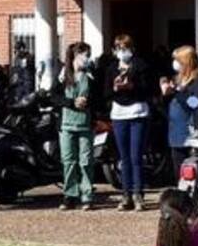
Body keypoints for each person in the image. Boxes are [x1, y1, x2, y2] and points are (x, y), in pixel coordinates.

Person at [104, 34, 153, 211]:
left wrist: (132, 86)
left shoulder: (141, 66)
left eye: (125, 48)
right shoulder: (111, 69)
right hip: (119, 114)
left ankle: (138, 194)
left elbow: (149, 90)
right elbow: (106, 93)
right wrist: (116, 88)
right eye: (119, 48)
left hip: (138, 112)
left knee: (136, 156)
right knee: (123, 158)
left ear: (132, 49)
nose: (122, 52)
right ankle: (126, 194)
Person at [51, 41, 96, 211]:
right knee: (68, 161)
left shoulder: (91, 75)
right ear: (75, 56)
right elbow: (53, 97)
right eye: (84, 55)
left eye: (88, 55)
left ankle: (87, 195)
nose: (87, 58)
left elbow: (99, 97)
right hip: (66, 124)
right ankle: (70, 195)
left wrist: (88, 101)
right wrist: (71, 102)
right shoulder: (63, 75)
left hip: (85, 124)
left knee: (85, 161)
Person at [161, 45, 198, 177]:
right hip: (175, 133)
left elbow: (195, 103)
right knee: (178, 173)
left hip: (189, 133)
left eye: (178, 60)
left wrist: (178, 92)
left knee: (191, 173)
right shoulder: (177, 79)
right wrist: (166, 93)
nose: (175, 64)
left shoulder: (197, 80)